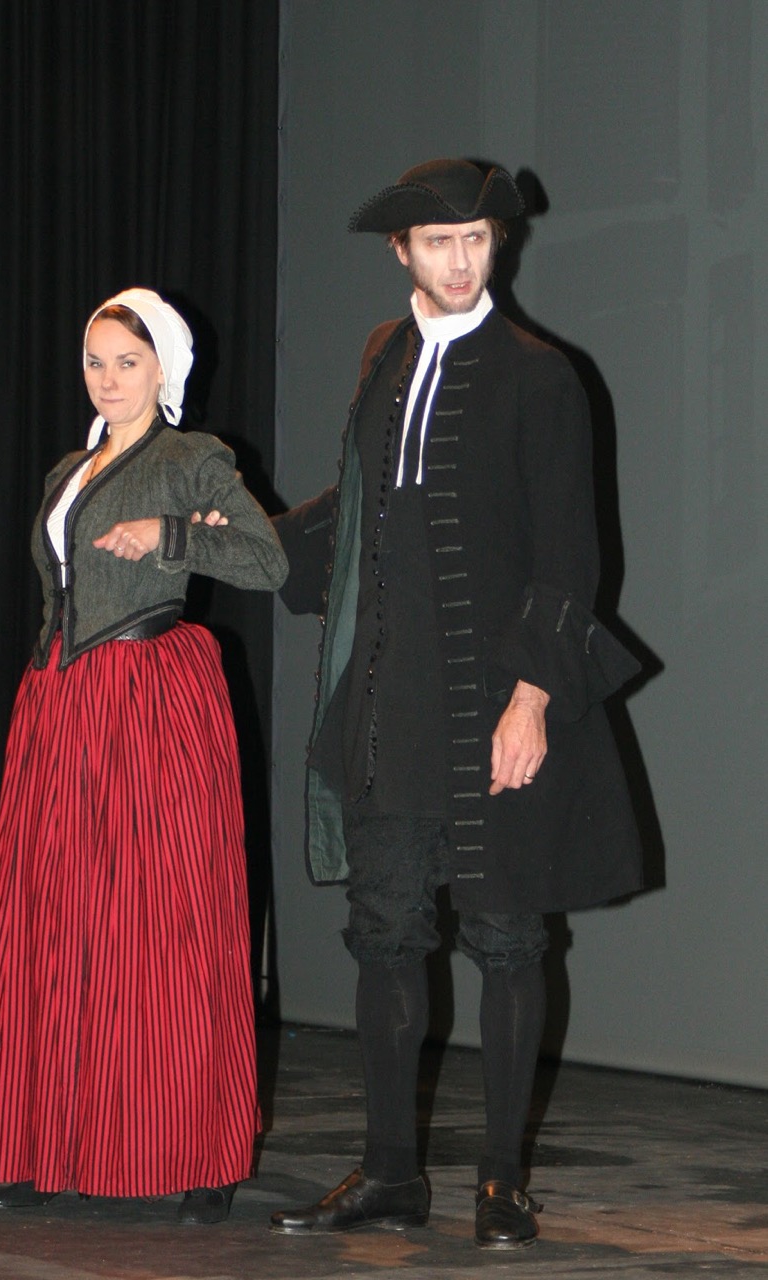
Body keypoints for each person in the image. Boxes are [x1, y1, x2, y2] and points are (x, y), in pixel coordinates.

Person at [269, 159, 642, 1249]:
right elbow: (365, 506)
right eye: (439, 241)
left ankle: (501, 1182)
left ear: (497, 245)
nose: (462, 259)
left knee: (507, 938)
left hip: (492, 701)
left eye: (477, 239)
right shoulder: (382, 355)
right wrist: (241, 540)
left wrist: (533, 698)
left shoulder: (541, 375)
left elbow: (570, 556)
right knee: (384, 933)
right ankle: (390, 1172)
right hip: (390, 704)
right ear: (403, 251)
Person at [0, 287, 287, 1224]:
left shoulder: (191, 459)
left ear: (163, 369)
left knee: (164, 922)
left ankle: (198, 1155)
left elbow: (266, 560)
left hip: (148, 701)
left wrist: (170, 535)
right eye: (95, 362)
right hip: (60, 704)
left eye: (127, 363)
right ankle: (46, 1143)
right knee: (54, 920)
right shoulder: (72, 467)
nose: (108, 380)